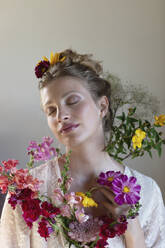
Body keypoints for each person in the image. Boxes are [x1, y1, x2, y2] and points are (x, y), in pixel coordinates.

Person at [0, 49, 165, 248]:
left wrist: (132, 228)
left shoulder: (148, 193)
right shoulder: (26, 194)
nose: (61, 116)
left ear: (102, 106)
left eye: (72, 101)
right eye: (51, 110)